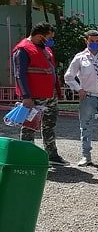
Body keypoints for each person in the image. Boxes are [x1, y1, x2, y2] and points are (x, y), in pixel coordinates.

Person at [11, 22, 68, 166]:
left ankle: (51, 155)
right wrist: (26, 97)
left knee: (50, 126)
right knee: (29, 127)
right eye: (49, 38)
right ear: (39, 36)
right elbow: (19, 74)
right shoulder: (23, 49)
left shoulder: (45, 49)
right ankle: (26, 157)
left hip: (50, 95)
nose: (51, 41)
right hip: (34, 98)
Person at [64, 30, 98, 166]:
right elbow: (69, 76)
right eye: (92, 41)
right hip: (88, 97)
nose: (95, 44)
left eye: (97, 41)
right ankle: (86, 156)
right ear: (86, 41)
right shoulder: (80, 58)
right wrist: (79, 89)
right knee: (86, 127)